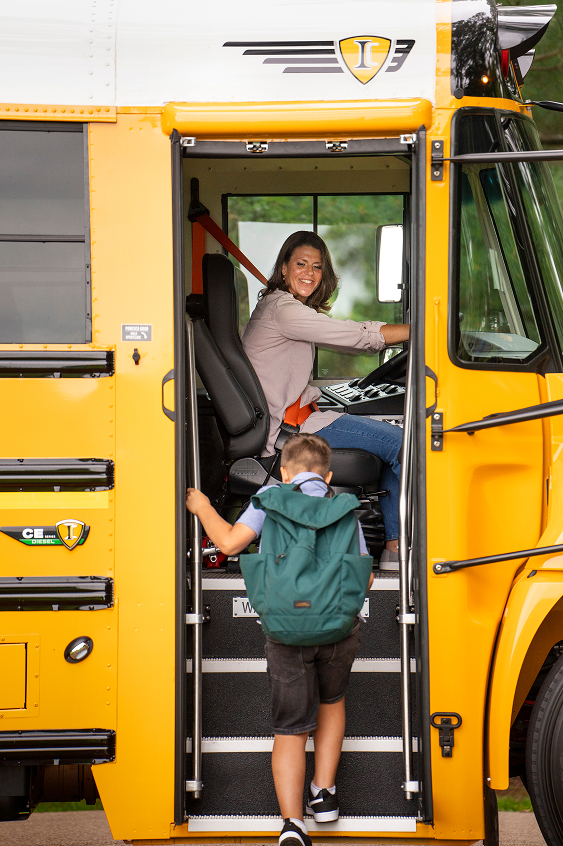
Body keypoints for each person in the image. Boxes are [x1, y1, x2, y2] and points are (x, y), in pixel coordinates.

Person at [187, 434, 373, 846]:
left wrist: (202, 506)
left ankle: (292, 823)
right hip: (338, 629)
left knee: (290, 728)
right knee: (332, 702)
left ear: (285, 473)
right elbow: (366, 574)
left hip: (286, 631)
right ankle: (323, 794)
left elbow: (230, 543)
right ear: (327, 475)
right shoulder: (343, 507)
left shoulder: (267, 500)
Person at [240, 230, 409, 568]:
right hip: (292, 430)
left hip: (300, 418)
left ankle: (392, 546)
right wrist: (421, 329)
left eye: (317, 267)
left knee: (395, 439)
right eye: (301, 264)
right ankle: (395, 552)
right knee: (404, 444)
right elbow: (354, 336)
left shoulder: (281, 307)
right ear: (284, 268)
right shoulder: (283, 310)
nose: (309, 273)